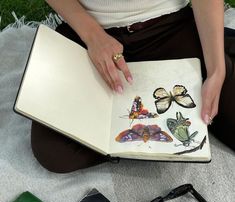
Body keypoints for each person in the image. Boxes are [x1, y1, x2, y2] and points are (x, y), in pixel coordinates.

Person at [31, 0, 235, 173]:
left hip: (170, 27)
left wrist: (216, 70)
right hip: (89, 36)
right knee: (54, 150)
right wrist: (94, 37)